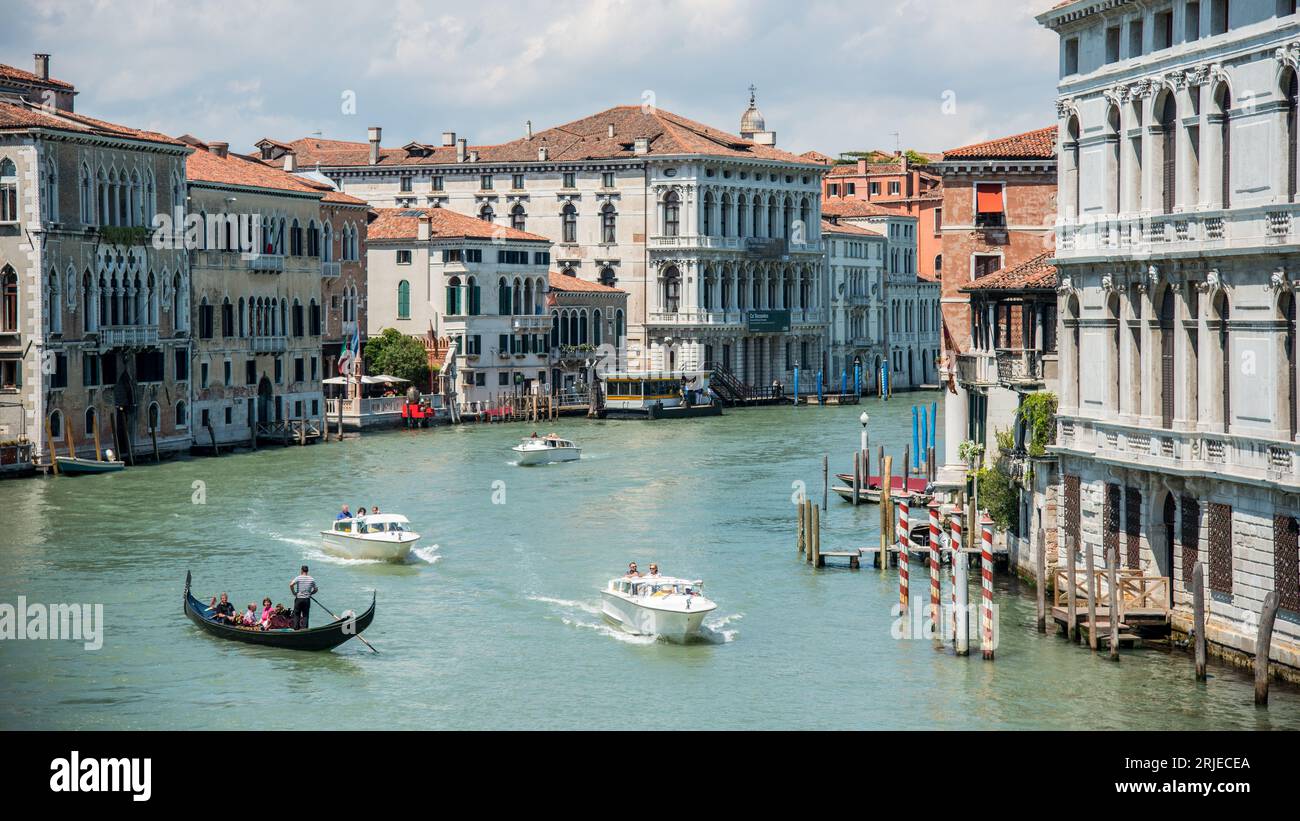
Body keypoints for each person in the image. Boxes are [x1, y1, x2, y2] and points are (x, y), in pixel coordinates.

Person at [289, 565, 318, 630]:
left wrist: (294, 592)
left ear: (301, 570)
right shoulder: (311, 579)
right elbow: (316, 589)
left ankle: (296, 629)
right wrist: (311, 593)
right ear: (307, 571)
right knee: (305, 615)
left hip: (299, 599)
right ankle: (305, 629)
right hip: (306, 600)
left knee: (297, 614)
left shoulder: (298, 578)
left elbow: (291, 585)